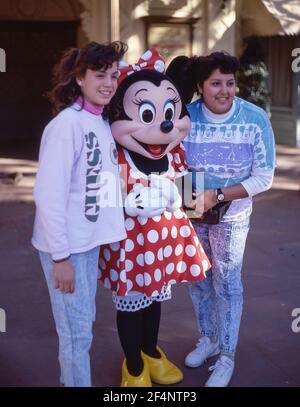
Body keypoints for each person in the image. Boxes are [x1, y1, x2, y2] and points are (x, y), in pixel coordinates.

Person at [99, 48, 211, 387]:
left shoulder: (176, 152)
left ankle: (150, 351)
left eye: (169, 113)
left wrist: (180, 194)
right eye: (146, 113)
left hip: (164, 246)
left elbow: (193, 202)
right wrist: (130, 201)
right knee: (132, 304)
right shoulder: (114, 153)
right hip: (131, 249)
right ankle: (132, 366)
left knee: (155, 301)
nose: (164, 125)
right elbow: (104, 198)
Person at [166, 51, 276, 387]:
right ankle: (208, 339)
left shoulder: (255, 119)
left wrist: (221, 195)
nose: (225, 90)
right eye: (216, 83)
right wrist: (189, 201)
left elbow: (265, 176)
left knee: (227, 284)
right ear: (201, 85)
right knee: (199, 280)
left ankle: (226, 355)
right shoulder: (187, 117)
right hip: (193, 212)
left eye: (230, 83)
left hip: (233, 216)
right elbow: (173, 157)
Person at [31, 41, 127, 387]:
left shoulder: (99, 122)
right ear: (79, 78)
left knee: (81, 328)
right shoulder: (65, 126)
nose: (108, 82)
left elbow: (98, 184)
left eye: (113, 75)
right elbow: (48, 196)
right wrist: (61, 258)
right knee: (75, 334)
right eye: (100, 75)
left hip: (88, 243)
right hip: (68, 247)